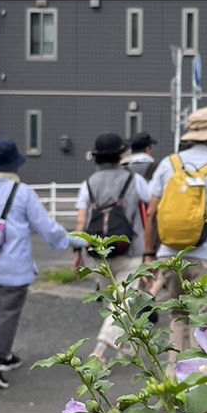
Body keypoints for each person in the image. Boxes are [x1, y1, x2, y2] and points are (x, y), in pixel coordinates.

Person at [0, 139, 84, 390]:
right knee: (7, 313)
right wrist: (73, 240)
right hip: (14, 267)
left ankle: (5, 353)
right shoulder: (22, 193)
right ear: (14, 165)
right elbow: (47, 229)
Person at [145, 106, 207, 357]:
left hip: (169, 254)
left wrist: (149, 254)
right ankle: (201, 382)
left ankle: (174, 380)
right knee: (205, 324)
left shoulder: (168, 165)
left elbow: (151, 212)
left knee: (178, 317)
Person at [74, 132, 152, 362]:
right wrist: (151, 251)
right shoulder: (134, 180)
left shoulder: (88, 184)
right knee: (125, 301)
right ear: (120, 155)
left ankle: (125, 347)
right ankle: (101, 348)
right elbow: (151, 206)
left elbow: (80, 222)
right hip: (131, 249)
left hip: (100, 253)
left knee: (113, 302)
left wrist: (77, 252)